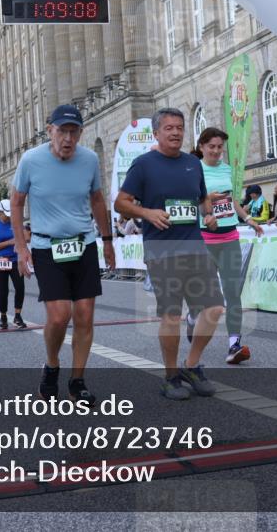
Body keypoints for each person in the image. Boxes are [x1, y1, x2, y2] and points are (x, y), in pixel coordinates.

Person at [115, 108, 225, 401]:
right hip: (162, 251)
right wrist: (147, 212)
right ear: (156, 133)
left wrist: (209, 215)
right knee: (172, 317)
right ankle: (170, 376)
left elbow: (201, 197)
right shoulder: (143, 165)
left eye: (179, 127)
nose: (175, 132)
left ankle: (191, 366)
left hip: (195, 247)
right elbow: (120, 203)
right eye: (169, 128)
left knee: (214, 309)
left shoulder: (193, 163)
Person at [11, 104, 115, 404]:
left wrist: (107, 241)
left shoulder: (89, 160)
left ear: (80, 133)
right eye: (62, 131)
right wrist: (21, 247)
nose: (68, 139)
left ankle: (77, 380)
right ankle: (52, 365)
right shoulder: (31, 160)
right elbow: (16, 201)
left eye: (74, 132)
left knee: (84, 315)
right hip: (46, 246)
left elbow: (97, 199)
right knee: (59, 316)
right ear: (50, 131)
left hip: (84, 244)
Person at [192, 127, 264, 365]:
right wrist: (207, 199)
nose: (215, 151)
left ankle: (234, 344)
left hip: (230, 237)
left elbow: (232, 200)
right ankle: (193, 319)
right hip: (205, 239)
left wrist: (249, 219)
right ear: (201, 146)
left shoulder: (227, 170)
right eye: (211, 146)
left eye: (219, 147)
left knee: (233, 294)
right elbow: (190, 203)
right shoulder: (194, 170)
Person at [0, 199, 27, 330]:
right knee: (3, 291)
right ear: (0, 211)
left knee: (20, 287)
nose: (8, 216)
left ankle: (17, 316)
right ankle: (3, 317)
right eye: (6, 214)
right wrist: (9, 242)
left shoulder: (14, 222)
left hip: (14, 260)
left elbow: (23, 238)